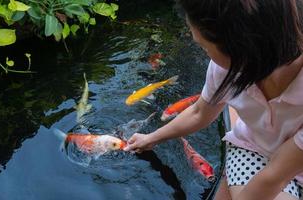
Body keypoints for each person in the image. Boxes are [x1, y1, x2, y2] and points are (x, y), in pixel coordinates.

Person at [123, 0, 303, 199]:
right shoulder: (225, 70)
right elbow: (199, 112)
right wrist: (151, 138)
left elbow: (275, 177)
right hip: (255, 148)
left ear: (239, 47)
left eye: (205, 48)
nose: (205, 54)